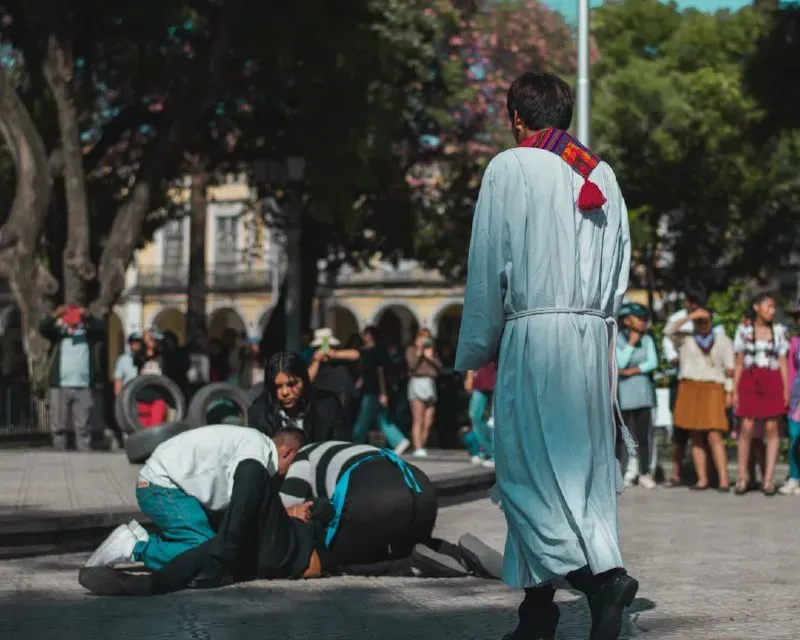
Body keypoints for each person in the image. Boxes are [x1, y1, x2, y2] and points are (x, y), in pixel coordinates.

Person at [454, 72, 636, 640]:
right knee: (577, 479)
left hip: (536, 339)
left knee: (523, 476)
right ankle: (537, 615)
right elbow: (621, 270)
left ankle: (600, 581)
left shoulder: (509, 167)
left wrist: (478, 344)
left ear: (516, 117)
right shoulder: (601, 172)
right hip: (591, 343)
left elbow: (489, 262)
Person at [84, 424, 304, 570]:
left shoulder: (254, 441)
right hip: (161, 485)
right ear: (287, 452)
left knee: (210, 546)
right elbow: (241, 499)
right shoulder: (258, 452)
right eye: (296, 464)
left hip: (167, 483)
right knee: (204, 553)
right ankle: (135, 547)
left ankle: (149, 541)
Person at [280, 440, 500, 578]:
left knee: (337, 560)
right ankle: (459, 553)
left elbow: (284, 508)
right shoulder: (344, 446)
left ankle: (412, 566)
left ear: (285, 451)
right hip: (420, 488)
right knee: (403, 542)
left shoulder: (302, 456)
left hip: (376, 495)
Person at [661, 282, 725, 487]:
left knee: (713, 433)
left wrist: (707, 321)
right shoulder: (678, 320)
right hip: (685, 380)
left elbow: (723, 348)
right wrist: (687, 320)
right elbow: (668, 335)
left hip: (712, 383)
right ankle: (679, 474)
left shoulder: (715, 322)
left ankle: (717, 477)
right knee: (683, 433)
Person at [733, 293, 789, 496]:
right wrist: (734, 389)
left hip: (772, 378)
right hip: (750, 378)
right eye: (768, 306)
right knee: (746, 427)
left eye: (774, 307)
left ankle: (768, 479)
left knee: (772, 428)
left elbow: (783, 361)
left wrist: (786, 389)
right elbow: (738, 362)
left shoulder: (779, 331)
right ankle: (742, 477)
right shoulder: (744, 330)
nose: (772, 310)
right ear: (757, 307)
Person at [38, 305, 106, 451]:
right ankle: (59, 452)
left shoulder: (88, 333)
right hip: (60, 385)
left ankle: (84, 453)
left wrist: (88, 315)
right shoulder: (58, 334)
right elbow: (43, 327)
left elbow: (102, 329)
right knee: (59, 425)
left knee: (83, 425)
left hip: (83, 384)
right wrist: (56, 314)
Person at [337, 326, 410, 453]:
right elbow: (367, 371)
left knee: (363, 420)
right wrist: (361, 382)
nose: (363, 336)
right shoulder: (366, 351)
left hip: (374, 391)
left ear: (371, 335)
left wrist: (383, 392)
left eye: (366, 334)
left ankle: (356, 443)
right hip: (371, 389)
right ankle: (399, 440)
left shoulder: (377, 351)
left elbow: (380, 372)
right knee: (381, 419)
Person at [249, 351, 348, 443]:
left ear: (304, 381)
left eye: (292, 384)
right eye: (278, 386)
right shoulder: (259, 412)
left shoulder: (328, 406)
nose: (284, 392)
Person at [616, 303, 658, 489]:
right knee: (624, 436)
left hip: (644, 394)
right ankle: (624, 471)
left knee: (644, 435)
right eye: (638, 318)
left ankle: (645, 471)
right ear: (626, 320)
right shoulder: (617, 339)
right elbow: (619, 362)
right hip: (624, 396)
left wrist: (633, 370)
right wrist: (631, 345)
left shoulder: (647, 339)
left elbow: (652, 362)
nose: (643, 322)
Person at [406, 327, 442, 458]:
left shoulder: (432, 351)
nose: (425, 339)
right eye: (422, 336)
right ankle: (418, 447)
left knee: (428, 421)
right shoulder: (411, 350)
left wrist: (431, 357)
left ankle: (422, 444)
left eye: (427, 337)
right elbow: (412, 366)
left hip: (430, 383)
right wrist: (420, 352)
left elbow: (440, 368)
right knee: (418, 419)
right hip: (417, 382)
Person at [464, 363, 497, 468]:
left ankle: (497, 456)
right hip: (481, 378)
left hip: (501, 376)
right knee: (475, 416)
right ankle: (488, 450)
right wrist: (469, 377)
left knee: (497, 419)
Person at [782, 298, 800, 495]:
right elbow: (791, 371)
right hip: (796, 398)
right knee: (794, 437)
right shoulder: (795, 342)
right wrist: (788, 394)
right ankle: (794, 476)